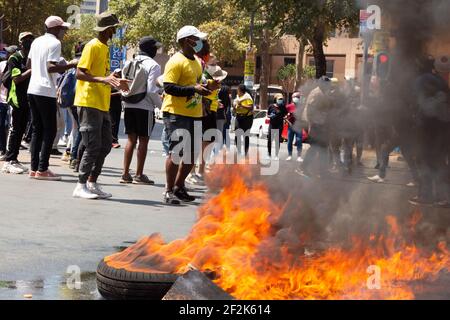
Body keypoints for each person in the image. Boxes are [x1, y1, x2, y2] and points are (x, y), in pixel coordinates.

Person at [72, 12, 129, 199]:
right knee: (93, 145)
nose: (115, 31)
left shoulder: (104, 47)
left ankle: (91, 182)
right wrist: (103, 78)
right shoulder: (92, 46)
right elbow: (79, 73)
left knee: (105, 145)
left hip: (102, 104)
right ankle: (80, 185)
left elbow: (103, 76)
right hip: (89, 102)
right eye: (114, 28)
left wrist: (116, 81)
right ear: (108, 29)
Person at [162, 25, 211, 204]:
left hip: (195, 113)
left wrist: (205, 90)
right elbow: (168, 87)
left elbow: (197, 84)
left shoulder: (197, 62)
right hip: (176, 113)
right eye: (195, 39)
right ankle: (168, 191)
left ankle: (179, 186)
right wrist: (193, 89)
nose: (199, 42)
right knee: (177, 152)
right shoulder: (175, 61)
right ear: (185, 41)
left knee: (192, 153)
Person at [27, 17, 77, 180]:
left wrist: (39, 68)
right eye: (62, 29)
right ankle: (42, 169)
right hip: (45, 90)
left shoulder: (36, 42)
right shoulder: (55, 43)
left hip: (32, 89)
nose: (64, 32)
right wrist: (72, 64)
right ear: (55, 29)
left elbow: (29, 65)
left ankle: (34, 168)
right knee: (49, 130)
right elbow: (50, 67)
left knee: (37, 130)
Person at [120, 36, 162, 185]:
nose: (156, 50)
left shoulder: (129, 61)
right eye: (155, 48)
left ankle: (125, 174)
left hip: (129, 104)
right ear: (150, 49)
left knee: (131, 139)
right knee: (143, 140)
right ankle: (138, 174)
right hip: (144, 107)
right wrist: (161, 106)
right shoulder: (154, 65)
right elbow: (152, 90)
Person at [1, 34, 34, 174]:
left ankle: (15, 159)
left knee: (21, 129)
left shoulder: (31, 58)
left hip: (27, 98)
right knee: (14, 129)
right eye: (26, 40)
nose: (29, 42)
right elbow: (16, 79)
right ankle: (8, 161)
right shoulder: (15, 58)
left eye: (31, 39)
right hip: (16, 99)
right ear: (20, 43)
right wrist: (31, 70)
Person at [300, 77, 333, 177]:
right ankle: (304, 168)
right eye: (327, 84)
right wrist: (311, 125)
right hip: (315, 124)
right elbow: (310, 110)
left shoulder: (321, 92)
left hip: (320, 124)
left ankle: (322, 170)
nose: (329, 86)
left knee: (322, 147)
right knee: (315, 147)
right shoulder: (317, 93)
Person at [0, 45, 18, 158]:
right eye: (6, 53)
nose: (7, 54)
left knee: (8, 126)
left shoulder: (16, 64)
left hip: (10, 99)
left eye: (9, 53)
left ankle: (5, 150)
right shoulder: (2, 64)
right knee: (3, 126)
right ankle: (3, 149)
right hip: (3, 99)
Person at [233, 84, 254, 156]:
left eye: (237, 90)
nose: (237, 91)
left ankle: (246, 152)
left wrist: (241, 105)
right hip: (238, 117)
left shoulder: (247, 97)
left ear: (240, 90)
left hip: (247, 118)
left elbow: (250, 107)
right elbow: (235, 109)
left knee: (246, 135)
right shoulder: (237, 98)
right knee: (237, 134)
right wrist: (234, 107)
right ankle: (238, 151)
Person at [267, 94, 287, 160]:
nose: (280, 100)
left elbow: (286, 115)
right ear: (276, 99)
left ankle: (276, 155)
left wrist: (285, 117)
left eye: (281, 99)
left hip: (279, 125)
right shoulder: (271, 106)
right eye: (279, 99)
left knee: (277, 140)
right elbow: (268, 115)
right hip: (272, 125)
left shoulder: (283, 107)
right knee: (270, 139)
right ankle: (269, 154)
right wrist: (270, 116)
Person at [285, 92, 304, 162]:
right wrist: (288, 121)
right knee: (289, 141)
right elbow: (284, 116)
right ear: (292, 98)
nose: (296, 98)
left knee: (299, 141)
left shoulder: (302, 107)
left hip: (299, 126)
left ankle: (299, 156)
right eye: (295, 97)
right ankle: (289, 155)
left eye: (298, 97)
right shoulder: (288, 106)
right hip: (291, 126)